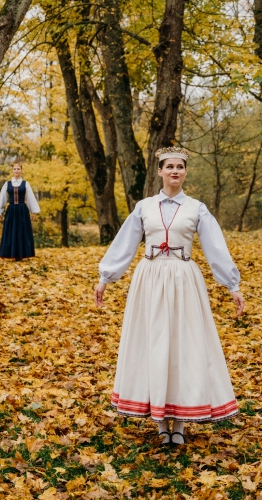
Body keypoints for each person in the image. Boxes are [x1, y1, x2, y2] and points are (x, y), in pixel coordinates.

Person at [95, 147, 245, 446]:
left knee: (183, 346)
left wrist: (233, 286)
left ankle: (181, 422)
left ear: (185, 172)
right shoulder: (144, 207)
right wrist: (105, 278)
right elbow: (124, 242)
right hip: (149, 279)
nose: (175, 171)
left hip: (184, 281)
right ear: (160, 171)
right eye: (169, 167)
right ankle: (160, 420)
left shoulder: (196, 208)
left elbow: (216, 247)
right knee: (154, 344)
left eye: (180, 166)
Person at [0, 163, 40, 260]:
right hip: (11, 210)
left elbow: (30, 197)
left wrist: (34, 212)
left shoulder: (25, 184)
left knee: (22, 231)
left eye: (18, 169)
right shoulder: (7, 184)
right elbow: (2, 197)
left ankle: (22, 254)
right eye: (14, 169)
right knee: (11, 230)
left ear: (21, 170)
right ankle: (11, 253)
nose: (16, 171)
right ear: (12, 170)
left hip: (22, 210)